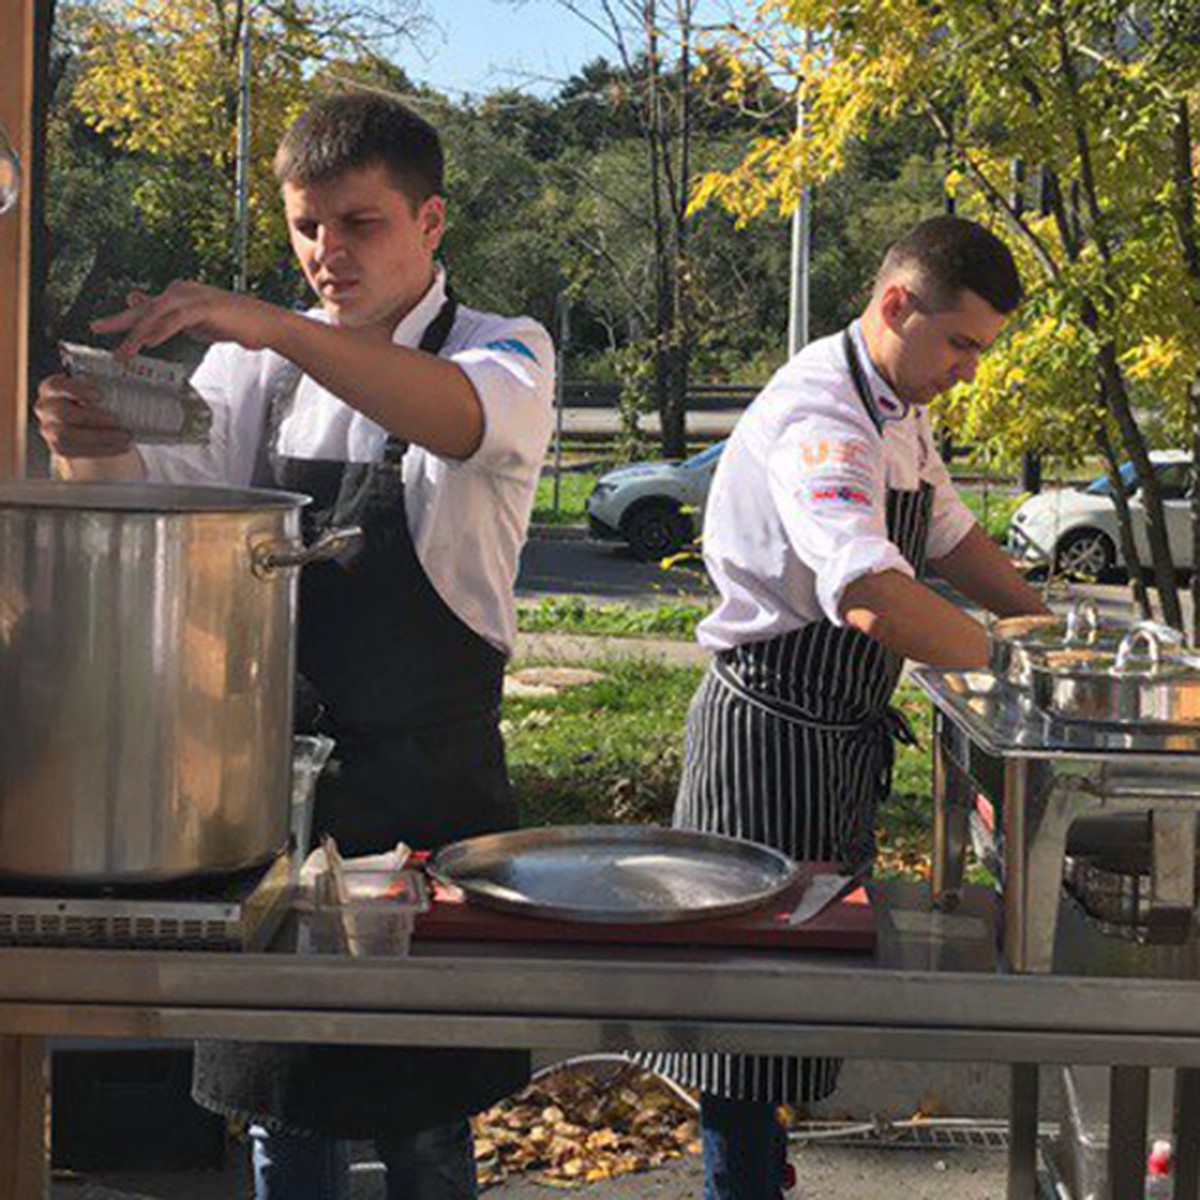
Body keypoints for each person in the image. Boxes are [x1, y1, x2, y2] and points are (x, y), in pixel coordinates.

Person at [35, 92, 554, 1199]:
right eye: (307, 226)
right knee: (282, 1122)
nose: (326, 253)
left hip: (429, 803)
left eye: (359, 223)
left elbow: (459, 421)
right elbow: (153, 502)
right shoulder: (253, 374)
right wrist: (85, 447)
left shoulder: (504, 352)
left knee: (424, 1129)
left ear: (432, 221)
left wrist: (275, 325)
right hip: (262, 801)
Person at [646, 215, 1050, 1199]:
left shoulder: (898, 408)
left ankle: (759, 1177)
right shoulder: (823, 417)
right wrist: (1017, 671)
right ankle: (740, 1187)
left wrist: (1047, 623)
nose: (968, 370)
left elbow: (948, 539)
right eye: (960, 344)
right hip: (767, 736)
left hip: (835, 740)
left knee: (804, 999)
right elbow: (870, 592)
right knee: (748, 1025)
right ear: (897, 305)